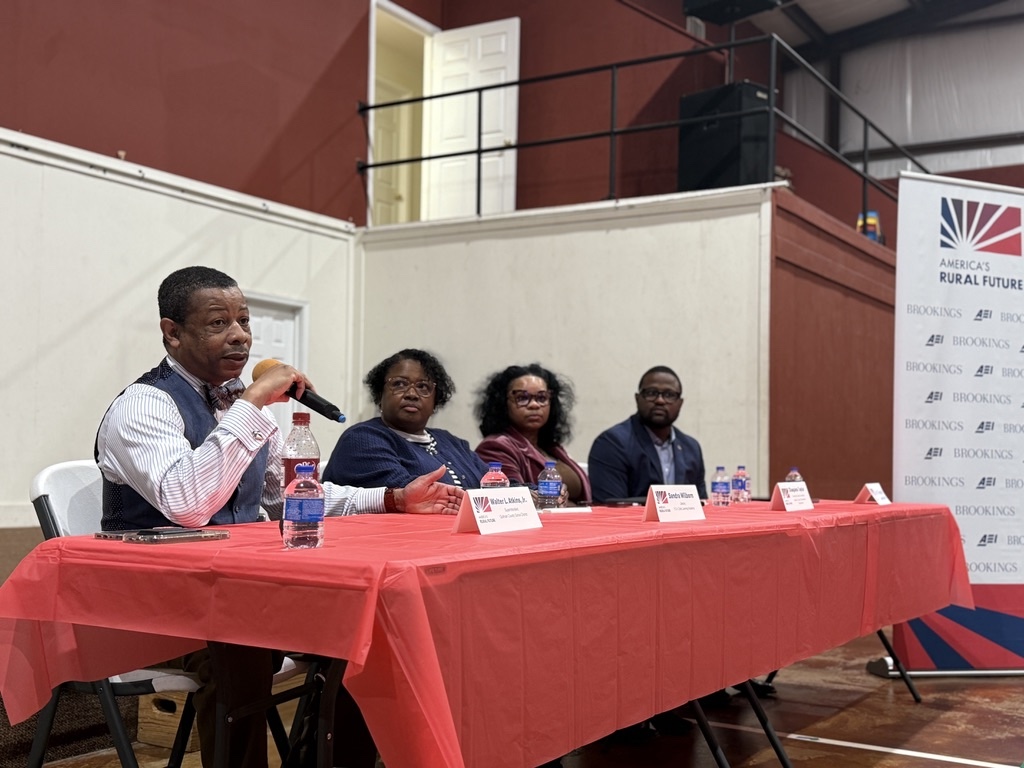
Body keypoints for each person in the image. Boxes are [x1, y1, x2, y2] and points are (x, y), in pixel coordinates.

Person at [95, 266, 463, 768]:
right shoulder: (145, 405)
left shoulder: (240, 408)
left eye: (244, 320)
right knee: (237, 651)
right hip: (152, 602)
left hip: (235, 587)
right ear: (172, 331)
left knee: (365, 625)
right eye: (218, 322)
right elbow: (188, 504)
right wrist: (253, 400)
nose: (240, 334)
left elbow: (289, 500)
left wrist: (394, 498)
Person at [323, 348, 489, 490]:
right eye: (399, 384)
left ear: (435, 401)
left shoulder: (452, 442)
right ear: (380, 395)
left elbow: (496, 483)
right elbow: (412, 494)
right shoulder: (362, 439)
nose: (411, 394)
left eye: (423, 387)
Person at [473, 363, 590, 504]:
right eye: (522, 398)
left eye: (541, 398)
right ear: (502, 403)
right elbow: (514, 502)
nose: (534, 405)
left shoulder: (552, 448)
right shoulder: (496, 447)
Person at [587, 365, 707, 503]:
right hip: (633, 524)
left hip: (686, 525)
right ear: (637, 398)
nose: (660, 401)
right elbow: (612, 507)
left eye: (669, 395)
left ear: (680, 403)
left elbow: (701, 504)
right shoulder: (612, 443)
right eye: (651, 393)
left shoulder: (691, 448)